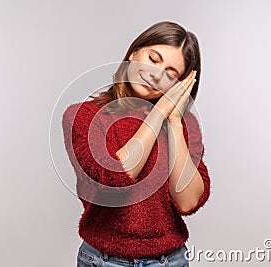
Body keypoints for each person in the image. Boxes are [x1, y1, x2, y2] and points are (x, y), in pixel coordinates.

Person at [62, 21, 211, 267]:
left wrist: (173, 120)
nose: (156, 74)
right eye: (153, 59)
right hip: (103, 261)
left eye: (170, 73)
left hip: (169, 261)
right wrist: (159, 112)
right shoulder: (83, 116)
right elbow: (115, 175)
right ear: (134, 53)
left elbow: (188, 202)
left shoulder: (184, 125)